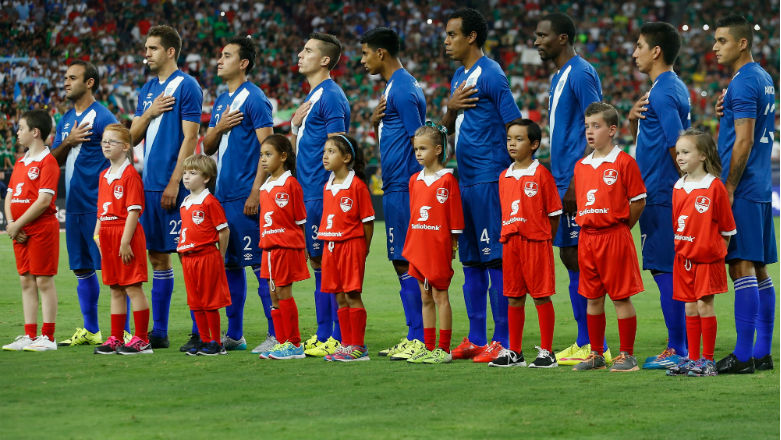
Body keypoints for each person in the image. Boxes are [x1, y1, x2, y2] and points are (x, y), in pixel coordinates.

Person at [441, 7, 522, 363]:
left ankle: (502, 339)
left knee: (495, 261)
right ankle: (475, 338)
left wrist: (514, 176)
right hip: (467, 178)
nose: (446, 41)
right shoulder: (460, 75)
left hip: (490, 178)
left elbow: (514, 124)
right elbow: (447, 127)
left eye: (452, 35)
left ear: (471, 36)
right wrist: (450, 107)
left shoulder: (491, 75)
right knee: (471, 261)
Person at [534, 12, 606, 366]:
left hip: (579, 180)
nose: (536, 41)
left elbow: (598, 121)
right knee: (568, 255)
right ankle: (585, 340)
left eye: (542, 35)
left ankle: (595, 344)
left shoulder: (580, 72)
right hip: (562, 176)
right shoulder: (560, 76)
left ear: (562, 38)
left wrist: (580, 179)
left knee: (581, 257)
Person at [129, 25, 203, 349]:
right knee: (158, 258)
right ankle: (159, 332)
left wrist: (176, 182)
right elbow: (131, 137)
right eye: (146, 48)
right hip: (148, 187)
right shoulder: (147, 89)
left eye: (152, 48)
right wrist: (149, 112)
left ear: (170, 51)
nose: (146, 54)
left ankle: (202, 328)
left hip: (177, 187)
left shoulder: (188, 86)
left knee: (190, 257)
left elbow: (191, 137)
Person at [712, 15, 777, 374]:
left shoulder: (744, 82)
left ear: (741, 43)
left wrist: (729, 186)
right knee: (760, 269)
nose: (715, 47)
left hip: (746, 187)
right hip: (761, 186)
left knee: (741, 267)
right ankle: (762, 352)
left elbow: (745, 139)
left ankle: (742, 355)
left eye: (722, 41)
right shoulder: (761, 78)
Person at [202, 36, 275, 353]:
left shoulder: (255, 99)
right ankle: (235, 335)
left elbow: (269, 149)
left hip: (247, 194)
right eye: (220, 55)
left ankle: (276, 333)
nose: (220, 60)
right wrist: (217, 127)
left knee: (260, 266)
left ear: (243, 63)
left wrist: (257, 190)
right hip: (223, 195)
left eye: (227, 55)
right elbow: (207, 147)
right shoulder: (221, 100)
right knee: (230, 265)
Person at [360, 27, 426, 359]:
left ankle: (419, 337)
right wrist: (374, 123)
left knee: (406, 261)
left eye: (365, 53)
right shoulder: (396, 86)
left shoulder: (401, 88)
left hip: (404, 186)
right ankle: (416, 335)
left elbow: (420, 139)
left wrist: (416, 187)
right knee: (403, 260)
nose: (363, 60)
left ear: (381, 53)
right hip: (397, 185)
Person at [628, 22, 691, 369]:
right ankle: (679, 343)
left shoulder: (663, 92)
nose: (634, 52)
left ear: (656, 51)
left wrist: (684, 185)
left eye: (639, 46)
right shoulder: (668, 88)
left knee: (664, 270)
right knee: (667, 269)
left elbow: (675, 145)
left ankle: (678, 347)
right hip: (663, 192)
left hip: (662, 195)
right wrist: (636, 119)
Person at [51, 60, 125, 347]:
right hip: (74, 206)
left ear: (90, 82)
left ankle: (125, 332)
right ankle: (92, 329)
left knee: (113, 271)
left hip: (99, 208)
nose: (66, 82)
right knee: (81, 268)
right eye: (65, 77)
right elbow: (54, 160)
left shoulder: (104, 117)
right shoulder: (66, 120)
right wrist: (68, 141)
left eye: (72, 77)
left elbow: (120, 159)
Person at [571, 103, 646, 372]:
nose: (590, 132)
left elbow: (638, 200)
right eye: (587, 126)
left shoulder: (624, 162)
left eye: (597, 126)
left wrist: (621, 227)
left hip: (614, 236)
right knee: (592, 298)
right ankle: (597, 354)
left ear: (612, 130)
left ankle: (627, 355)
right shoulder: (581, 166)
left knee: (620, 298)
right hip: (587, 238)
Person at [290, 33, 351, 357]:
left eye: (308, 50)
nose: (301, 54)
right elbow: (308, 149)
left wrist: (332, 195)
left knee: (328, 263)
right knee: (318, 262)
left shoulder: (330, 96)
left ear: (325, 60)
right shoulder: (314, 96)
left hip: (322, 193)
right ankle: (325, 332)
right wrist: (297, 129)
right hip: (310, 191)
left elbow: (338, 147)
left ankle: (336, 335)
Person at [490, 120, 561, 368]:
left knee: (541, 297)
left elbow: (554, 214)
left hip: (536, 243)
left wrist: (541, 237)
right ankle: (515, 352)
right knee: (513, 297)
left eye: (519, 139)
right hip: (510, 243)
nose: (512, 143)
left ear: (533, 144)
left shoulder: (541, 174)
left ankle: (548, 353)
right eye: (510, 138)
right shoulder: (504, 176)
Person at [666, 129, 736, 377]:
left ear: (703, 155)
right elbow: (677, 224)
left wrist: (714, 252)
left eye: (686, 152)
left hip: (707, 260)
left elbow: (727, 228)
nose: (680, 157)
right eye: (678, 152)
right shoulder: (677, 186)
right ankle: (692, 358)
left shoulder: (714, 187)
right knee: (690, 308)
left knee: (705, 306)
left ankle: (707, 361)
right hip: (683, 259)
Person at [401, 123, 463, 365]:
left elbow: (455, 218)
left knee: (440, 296)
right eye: (416, 149)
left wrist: (452, 246)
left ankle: (444, 349)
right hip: (418, 245)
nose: (418, 153)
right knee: (425, 297)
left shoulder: (448, 180)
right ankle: (428, 347)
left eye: (423, 148)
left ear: (438, 150)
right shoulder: (414, 180)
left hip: (438, 247)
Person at [93, 123, 153, 355]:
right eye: (104, 141)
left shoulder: (130, 175)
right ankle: (116, 338)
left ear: (126, 146)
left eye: (112, 142)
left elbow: (133, 211)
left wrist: (125, 241)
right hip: (107, 234)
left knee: (132, 287)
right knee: (115, 288)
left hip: (125, 234)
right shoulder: (104, 175)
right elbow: (101, 210)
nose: (106, 145)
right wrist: (97, 233)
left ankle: (142, 339)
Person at [2, 109, 59, 352]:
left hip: (41, 229)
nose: (17, 132)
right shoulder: (20, 162)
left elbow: (44, 201)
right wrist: (11, 224)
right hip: (20, 230)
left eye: (21, 128)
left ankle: (48, 337)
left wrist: (17, 224)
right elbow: (9, 195)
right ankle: (29, 334)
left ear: (35, 133)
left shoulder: (48, 162)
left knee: (43, 281)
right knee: (26, 281)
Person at [318, 134, 374, 362]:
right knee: (339, 296)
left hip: (351, 246)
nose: (325, 156)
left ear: (346, 157)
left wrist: (364, 249)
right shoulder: (328, 184)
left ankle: (358, 347)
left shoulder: (357, 185)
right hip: (330, 246)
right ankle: (347, 345)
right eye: (324, 151)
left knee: (352, 294)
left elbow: (368, 221)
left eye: (331, 151)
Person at [256, 135, 309, 360]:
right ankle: (281, 341)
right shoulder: (265, 185)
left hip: (285, 247)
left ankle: (294, 343)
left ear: (283, 156)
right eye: (261, 155)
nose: (263, 160)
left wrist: (303, 248)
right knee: (273, 295)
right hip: (268, 249)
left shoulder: (290, 184)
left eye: (269, 154)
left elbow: (300, 221)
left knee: (284, 293)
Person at [176, 155, 231, 356]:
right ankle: (204, 340)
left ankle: (217, 342)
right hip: (189, 258)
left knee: (209, 301)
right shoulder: (185, 202)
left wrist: (220, 255)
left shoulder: (209, 201)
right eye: (185, 173)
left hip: (207, 256)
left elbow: (223, 230)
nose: (186, 177)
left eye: (193, 173)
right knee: (195, 302)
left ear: (206, 177)